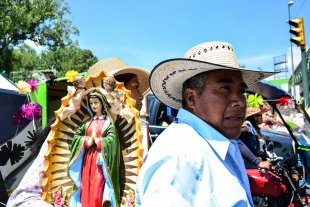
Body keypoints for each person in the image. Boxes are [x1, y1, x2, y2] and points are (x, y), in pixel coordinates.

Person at [135, 41, 276, 207]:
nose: (239, 100)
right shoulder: (178, 157)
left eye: (241, 91)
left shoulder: (217, 143)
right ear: (191, 98)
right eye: (225, 88)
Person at [7, 58, 150, 207]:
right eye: (136, 86)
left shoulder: (133, 139)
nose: (141, 95)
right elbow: (21, 199)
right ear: (116, 92)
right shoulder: (66, 133)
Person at [68, 92, 119, 207]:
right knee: (86, 187)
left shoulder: (108, 123)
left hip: (100, 161)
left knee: (97, 188)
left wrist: (98, 141)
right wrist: (88, 141)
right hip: (87, 160)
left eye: (96, 102)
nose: (93, 105)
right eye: (91, 103)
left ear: (102, 103)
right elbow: (77, 137)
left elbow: (112, 140)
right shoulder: (87, 123)